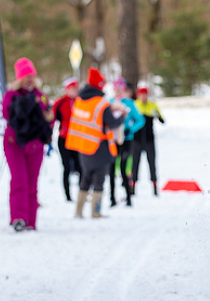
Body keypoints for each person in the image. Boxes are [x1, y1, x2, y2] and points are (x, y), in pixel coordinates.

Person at [2, 57, 54, 232]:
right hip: (14, 143)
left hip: (35, 144)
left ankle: (31, 221)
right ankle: (18, 218)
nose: (29, 79)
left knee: (32, 183)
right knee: (19, 180)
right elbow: (7, 114)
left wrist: (50, 119)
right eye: (26, 76)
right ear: (19, 79)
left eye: (31, 75)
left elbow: (49, 119)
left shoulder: (41, 96)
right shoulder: (12, 95)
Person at [66, 68, 125, 218]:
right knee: (99, 180)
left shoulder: (79, 100)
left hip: (83, 146)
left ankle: (78, 211)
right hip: (99, 148)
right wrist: (122, 116)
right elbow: (111, 123)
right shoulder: (101, 104)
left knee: (85, 178)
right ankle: (96, 211)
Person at [108, 77, 145, 206]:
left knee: (124, 169)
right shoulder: (109, 103)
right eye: (115, 89)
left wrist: (131, 129)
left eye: (120, 89)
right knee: (111, 169)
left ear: (123, 89)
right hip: (112, 141)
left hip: (126, 140)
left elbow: (140, 120)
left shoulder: (129, 103)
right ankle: (112, 199)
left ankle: (128, 198)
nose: (117, 92)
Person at [52, 76, 82, 202]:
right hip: (64, 139)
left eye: (76, 88)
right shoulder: (60, 102)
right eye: (73, 88)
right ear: (67, 89)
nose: (75, 91)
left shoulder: (81, 101)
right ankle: (68, 195)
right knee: (67, 167)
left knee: (80, 167)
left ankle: (82, 193)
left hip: (78, 139)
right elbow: (52, 118)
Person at [133, 85, 165, 196]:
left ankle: (155, 187)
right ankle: (132, 188)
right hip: (136, 140)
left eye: (145, 94)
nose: (143, 97)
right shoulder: (135, 105)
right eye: (141, 94)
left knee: (152, 163)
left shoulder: (152, 105)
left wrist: (157, 115)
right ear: (138, 95)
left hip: (149, 139)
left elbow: (162, 120)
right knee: (135, 164)